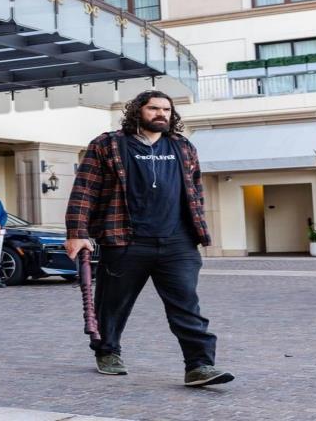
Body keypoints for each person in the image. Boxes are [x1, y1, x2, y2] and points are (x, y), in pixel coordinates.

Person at [64, 90, 234, 387]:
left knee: (186, 305)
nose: (161, 114)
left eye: (166, 110)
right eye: (154, 108)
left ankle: (199, 365)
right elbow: (85, 190)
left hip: (177, 241)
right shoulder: (108, 144)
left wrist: (197, 229)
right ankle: (107, 351)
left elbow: (195, 191)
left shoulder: (182, 146)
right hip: (125, 239)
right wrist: (77, 233)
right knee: (113, 303)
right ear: (137, 111)